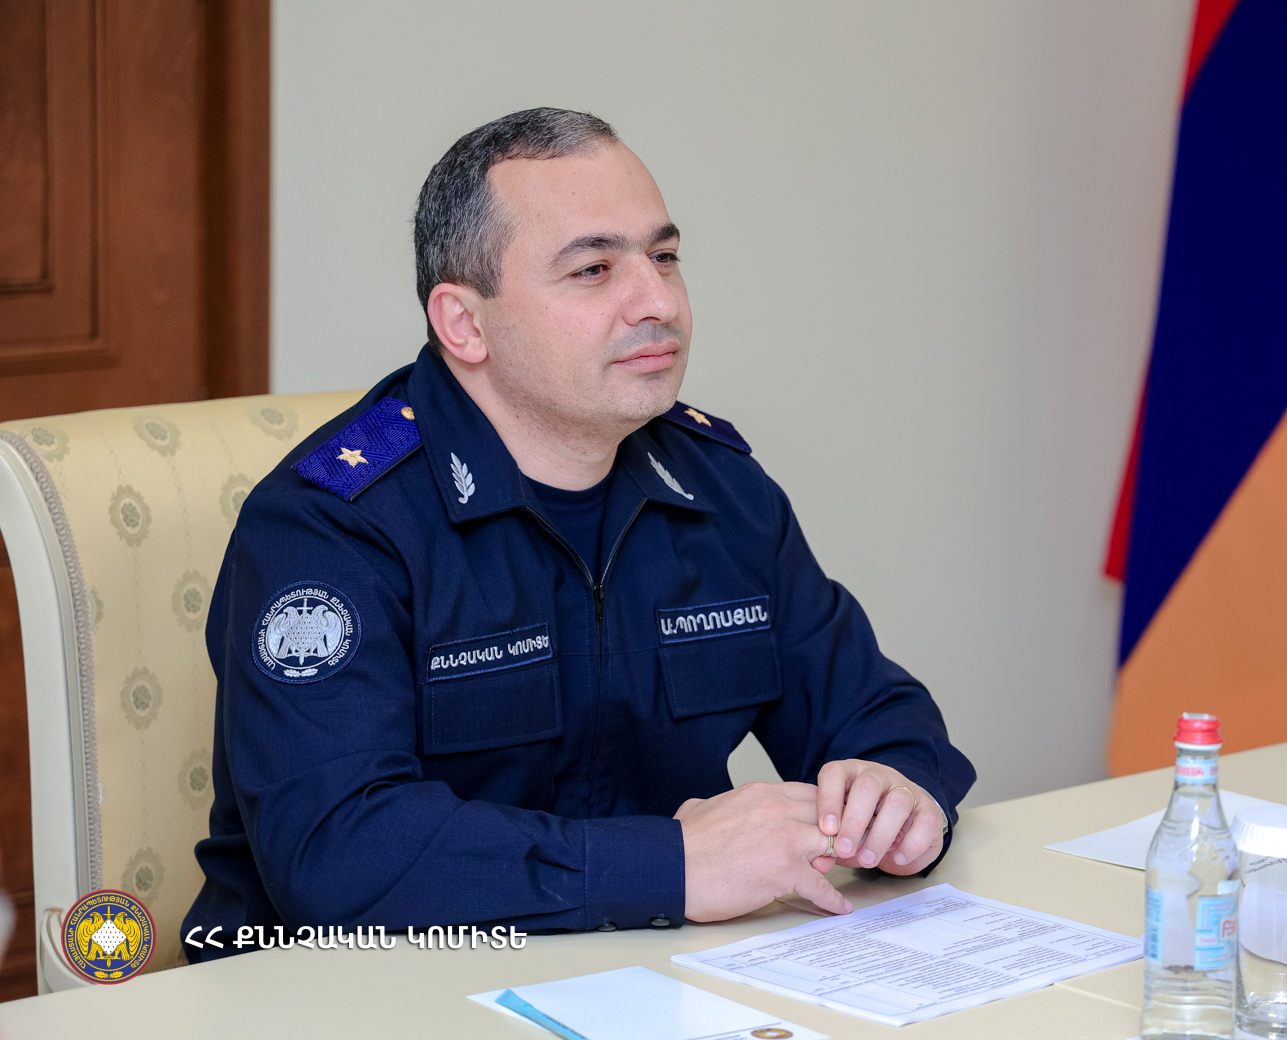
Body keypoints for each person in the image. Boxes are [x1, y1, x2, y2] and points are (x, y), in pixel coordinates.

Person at [183, 108, 975, 959]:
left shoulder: (720, 488)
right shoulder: (331, 524)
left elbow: (877, 715)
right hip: (352, 987)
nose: (659, 302)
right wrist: (673, 866)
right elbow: (338, 853)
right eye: (594, 269)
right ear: (464, 324)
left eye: (663, 257)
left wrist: (898, 792)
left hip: (643, 976)